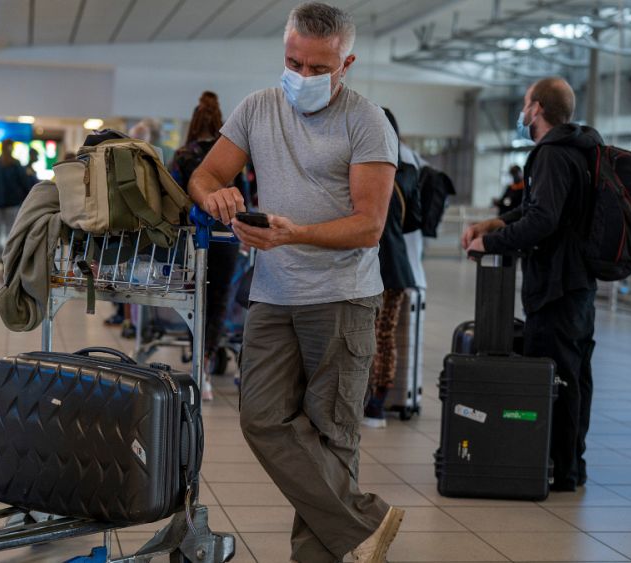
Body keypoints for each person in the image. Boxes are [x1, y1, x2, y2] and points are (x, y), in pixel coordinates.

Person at [188, 3, 404, 561]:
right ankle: (364, 525)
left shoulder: (366, 121)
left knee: (332, 435)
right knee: (260, 417)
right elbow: (206, 173)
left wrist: (296, 234)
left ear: (346, 63)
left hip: (341, 297)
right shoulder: (258, 108)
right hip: (272, 293)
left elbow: (369, 225)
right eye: (293, 62)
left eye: (317, 68)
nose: (302, 77)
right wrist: (215, 195)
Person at [462, 76, 602, 492]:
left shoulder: (551, 154)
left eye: (526, 104)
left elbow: (543, 220)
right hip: (577, 282)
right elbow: (536, 207)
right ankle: (570, 463)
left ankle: (559, 468)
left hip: (556, 286)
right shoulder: (580, 150)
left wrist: (490, 241)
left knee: (557, 376)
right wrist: (499, 221)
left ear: (537, 108)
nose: (522, 112)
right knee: (575, 374)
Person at [170, 91, 244, 399]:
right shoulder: (231, 154)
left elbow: (173, 197)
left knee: (194, 302)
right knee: (218, 301)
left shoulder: (184, 155)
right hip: (226, 238)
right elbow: (245, 196)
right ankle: (207, 364)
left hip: (191, 240)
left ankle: (196, 361)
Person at [362, 108, 417, 429]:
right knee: (385, 336)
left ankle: (367, 399)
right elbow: (414, 221)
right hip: (398, 265)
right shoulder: (408, 172)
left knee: (367, 336)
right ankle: (377, 403)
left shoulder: (367, 169)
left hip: (370, 263)